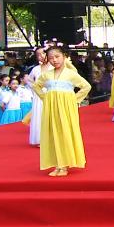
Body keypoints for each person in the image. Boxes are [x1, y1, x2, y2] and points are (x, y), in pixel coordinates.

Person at [33, 45, 91, 177]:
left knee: (65, 132)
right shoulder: (46, 75)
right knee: (53, 133)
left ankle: (64, 164)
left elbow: (86, 86)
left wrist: (74, 100)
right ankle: (57, 164)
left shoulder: (71, 74)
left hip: (66, 108)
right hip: (51, 108)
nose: (54, 60)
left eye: (57, 56)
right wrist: (45, 98)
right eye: (51, 58)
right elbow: (36, 86)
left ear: (64, 57)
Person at [24, 47, 51, 146]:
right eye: (38, 55)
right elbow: (29, 81)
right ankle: (40, 139)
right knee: (39, 115)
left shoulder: (54, 67)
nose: (41, 56)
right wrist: (35, 88)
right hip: (39, 95)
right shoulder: (35, 69)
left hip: (51, 93)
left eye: (43, 53)